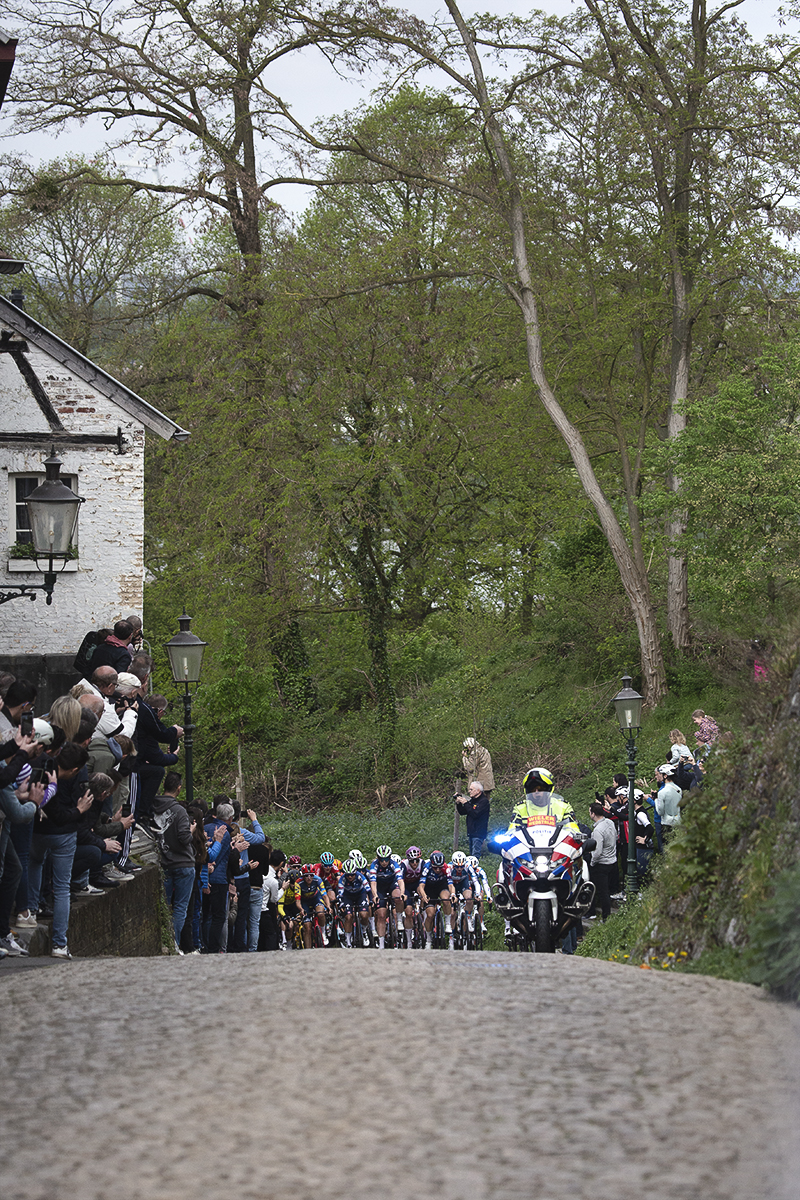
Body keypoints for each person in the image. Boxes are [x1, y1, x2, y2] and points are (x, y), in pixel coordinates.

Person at [152, 771, 196, 949]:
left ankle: (164, 943)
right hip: (183, 863)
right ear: (179, 788)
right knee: (180, 907)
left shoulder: (153, 807)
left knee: (165, 906)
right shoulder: (179, 810)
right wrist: (192, 830)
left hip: (165, 861)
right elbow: (184, 838)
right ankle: (175, 944)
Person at [367, 844, 406, 949]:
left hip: (392, 885)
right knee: (381, 915)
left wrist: (402, 892)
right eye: (381, 859)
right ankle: (381, 944)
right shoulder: (374, 866)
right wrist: (374, 895)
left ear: (390, 858)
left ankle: (399, 919)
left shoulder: (394, 864)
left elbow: (400, 880)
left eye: (386, 859)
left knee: (398, 897)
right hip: (380, 888)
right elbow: (373, 883)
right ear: (378, 858)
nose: (384, 862)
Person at [418, 850, 455, 949]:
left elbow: (450, 885)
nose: (438, 870)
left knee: (446, 900)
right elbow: (421, 885)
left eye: (440, 867)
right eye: (435, 868)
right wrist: (424, 895)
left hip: (441, 886)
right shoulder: (426, 867)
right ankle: (429, 939)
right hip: (429, 888)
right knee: (430, 915)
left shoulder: (446, 868)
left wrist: (453, 894)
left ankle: (447, 924)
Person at [587, 801, 616, 921]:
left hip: (602, 864)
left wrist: (592, 862)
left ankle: (606, 917)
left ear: (593, 814)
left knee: (602, 892)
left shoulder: (598, 830)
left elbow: (597, 851)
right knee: (607, 891)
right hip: (612, 861)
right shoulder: (610, 822)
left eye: (590, 812)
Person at [337, 858, 373, 947]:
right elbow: (340, 894)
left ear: (355, 872)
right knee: (348, 917)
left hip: (360, 895)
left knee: (364, 915)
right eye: (348, 875)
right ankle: (348, 940)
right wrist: (341, 904)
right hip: (347, 896)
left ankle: (364, 932)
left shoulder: (360, 876)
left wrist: (371, 900)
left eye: (352, 875)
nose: (350, 877)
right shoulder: (342, 879)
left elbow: (368, 890)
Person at [455, 780, 491, 857]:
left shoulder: (483, 802)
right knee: (471, 855)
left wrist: (466, 803)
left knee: (475, 855)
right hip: (471, 832)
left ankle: (475, 868)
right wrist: (458, 803)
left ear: (478, 791)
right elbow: (463, 812)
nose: (469, 791)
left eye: (471, 789)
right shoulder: (472, 801)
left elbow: (475, 814)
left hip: (478, 833)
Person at [653, 763, 682, 843]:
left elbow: (660, 812)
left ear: (665, 776)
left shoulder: (662, 792)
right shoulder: (679, 789)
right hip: (678, 821)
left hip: (666, 823)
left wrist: (655, 800)